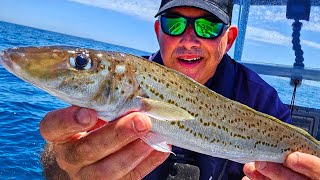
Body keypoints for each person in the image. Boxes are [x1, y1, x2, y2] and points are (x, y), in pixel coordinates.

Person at [40, 0, 320, 179]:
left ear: (229, 38)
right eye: (174, 24)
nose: (188, 40)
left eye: (207, 27)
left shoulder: (261, 98)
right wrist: (66, 166)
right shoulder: (125, 84)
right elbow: (61, 163)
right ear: (158, 31)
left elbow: (299, 156)